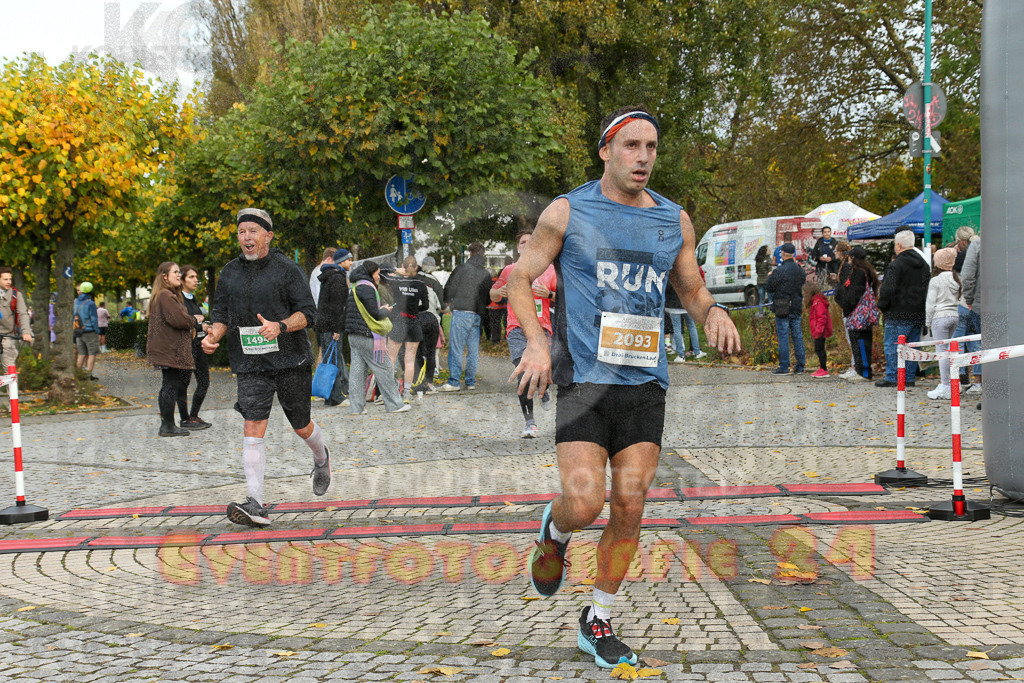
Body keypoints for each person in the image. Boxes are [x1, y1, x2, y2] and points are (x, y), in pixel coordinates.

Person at [508, 106, 740, 670]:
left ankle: (598, 616)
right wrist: (537, 344)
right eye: (632, 146)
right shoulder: (567, 211)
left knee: (631, 506)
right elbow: (518, 278)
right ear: (606, 151)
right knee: (586, 504)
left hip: (644, 382)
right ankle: (556, 530)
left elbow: (690, 287)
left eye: (651, 147)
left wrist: (711, 313)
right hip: (584, 381)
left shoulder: (673, 220)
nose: (643, 157)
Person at [201, 208, 333, 528]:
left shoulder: (287, 269)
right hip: (250, 362)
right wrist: (213, 336)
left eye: (253, 231)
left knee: (301, 426)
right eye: (241, 232)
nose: (246, 237)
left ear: (268, 236)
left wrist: (280, 326)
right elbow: (220, 314)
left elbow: (308, 314)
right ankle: (256, 503)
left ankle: (321, 458)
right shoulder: (229, 272)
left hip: (291, 360)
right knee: (252, 427)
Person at [491, 229, 556, 437]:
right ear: (518, 248)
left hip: (542, 328)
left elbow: (564, 297)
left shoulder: (549, 270)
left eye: (531, 241)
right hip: (516, 328)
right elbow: (493, 293)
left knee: (542, 371)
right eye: (522, 242)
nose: (526, 244)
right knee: (523, 374)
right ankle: (530, 423)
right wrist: (498, 292)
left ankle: (544, 390)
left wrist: (549, 294)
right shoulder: (509, 270)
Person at [344, 259, 410, 415]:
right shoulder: (366, 288)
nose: (379, 276)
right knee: (385, 368)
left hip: (354, 335)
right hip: (368, 336)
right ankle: (394, 404)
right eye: (378, 273)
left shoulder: (355, 286)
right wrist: (386, 310)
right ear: (371, 273)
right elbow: (375, 314)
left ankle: (356, 407)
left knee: (357, 373)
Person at [146, 262, 196, 437]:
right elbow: (179, 320)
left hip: (166, 348)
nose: (179, 275)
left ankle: (168, 424)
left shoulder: (163, 295)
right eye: (175, 272)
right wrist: (194, 320)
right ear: (164, 276)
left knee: (169, 385)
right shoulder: (166, 295)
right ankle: (167, 426)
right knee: (169, 385)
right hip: (168, 349)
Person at [876, 230, 930, 388]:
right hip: (918, 311)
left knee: (893, 345)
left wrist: (882, 305)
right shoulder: (924, 264)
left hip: (897, 311)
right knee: (912, 346)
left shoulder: (896, 264)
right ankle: (909, 377)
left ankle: (893, 376)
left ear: (898, 245)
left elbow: (887, 290)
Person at [440, 242, 492, 391]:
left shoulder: (462, 269)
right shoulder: (485, 273)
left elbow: (450, 287)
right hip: (477, 314)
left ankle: (454, 381)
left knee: (457, 348)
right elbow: (488, 297)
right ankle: (470, 381)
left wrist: (449, 302)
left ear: (470, 253)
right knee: (473, 350)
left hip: (462, 310)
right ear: (483, 254)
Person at [386, 256, 428, 402]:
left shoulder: (397, 282)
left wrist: (395, 271)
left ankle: (390, 392)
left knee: (391, 358)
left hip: (398, 321)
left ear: (403, 267)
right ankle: (406, 393)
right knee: (409, 359)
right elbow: (426, 306)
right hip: (414, 322)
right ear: (416, 267)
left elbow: (382, 273)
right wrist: (416, 310)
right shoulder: (421, 284)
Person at [314, 248, 353, 406]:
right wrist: (337, 329)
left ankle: (329, 396)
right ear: (341, 261)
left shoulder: (328, 276)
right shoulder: (337, 278)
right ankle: (336, 396)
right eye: (349, 260)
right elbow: (338, 307)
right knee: (334, 360)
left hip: (323, 323)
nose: (351, 262)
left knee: (329, 359)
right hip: (331, 325)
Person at [837, 246, 879, 381]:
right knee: (860, 341)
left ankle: (864, 372)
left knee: (860, 342)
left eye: (850, 257)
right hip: (863, 313)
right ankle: (860, 369)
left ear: (853, 258)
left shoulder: (859, 273)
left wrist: (846, 307)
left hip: (858, 314)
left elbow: (854, 294)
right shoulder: (867, 271)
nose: (848, 259)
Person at [925, 248, 961, 400]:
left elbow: (930, 304)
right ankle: (955, 382)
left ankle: (946, 385)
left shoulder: (936, 280)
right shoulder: (957, 278)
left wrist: (928, 322)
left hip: (939, 317)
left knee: (942, 352)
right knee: (951, 351)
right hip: (954, 316)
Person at [765, 243, 807, 374]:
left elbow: (770, 287)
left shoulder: (779, 271)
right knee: (797, 336)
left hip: (782, 306)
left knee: (783, 336)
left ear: (782, 254)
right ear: (793, 254)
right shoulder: (801, 270)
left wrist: (770, 276)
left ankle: (784, 366)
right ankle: (800, 365)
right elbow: (802, 283)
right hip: (796, 305)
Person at [179, 265, 212, 429]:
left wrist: (204, 325)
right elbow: (183, 323)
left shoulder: (192, 298)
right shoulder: (178, 300)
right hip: (186, 347)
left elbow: (197, 321)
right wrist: (199, 325)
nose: (196, 280)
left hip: (199, 346)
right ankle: (184, 418)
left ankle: (194, 415)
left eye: (196, 277)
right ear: (182, 280)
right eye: (191, 277)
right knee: (183, 383)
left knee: (204, 381)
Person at [412, 256, 445, 394]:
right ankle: (429, 382)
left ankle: (416, 381)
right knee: (431, 353)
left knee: (415, 352)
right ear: (434, 267)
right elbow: (442, 305)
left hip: (413, 319)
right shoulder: (435, 282)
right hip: (431, 319)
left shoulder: (411, 279)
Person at [958, 235, 983, 398]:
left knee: (979, 343)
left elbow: (967, 276)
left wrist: (968, 299)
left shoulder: (978, 244)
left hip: (982, 303)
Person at [831, 242, 857, 378]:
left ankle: (855, 366)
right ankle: (854, 365)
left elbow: (846, 286)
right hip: (845, 306)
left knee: (852, 338)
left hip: (848, 307)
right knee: (850, 338)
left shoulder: (846, 267)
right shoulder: (843, 267)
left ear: (840, 252)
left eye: (836, 250)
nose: (834, 253)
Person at [0, 267, 32, 370]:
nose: (9, 282)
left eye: (10, 279)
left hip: (7, 335)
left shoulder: (16, 295)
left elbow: (23, 314)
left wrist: (26, 332)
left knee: (10, 369)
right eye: (5, 279)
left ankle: (12, 386)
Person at [663, 283, 705, 362]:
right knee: (692, 327)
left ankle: (681, 355)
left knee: (677, 329)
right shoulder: (686, 273)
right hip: (687, 304)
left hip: (673, 305)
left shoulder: (671, 276)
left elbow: (666, 289)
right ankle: (697, 352)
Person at [804, 279, 832, 378]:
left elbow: (821, 318)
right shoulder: (816, 301)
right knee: (819, 349)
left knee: (820, 349)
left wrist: (818, 331)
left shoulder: (818, 302)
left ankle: (824, 369)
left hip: (819, 331)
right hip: (818, 330)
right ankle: (822, 368)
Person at [74, 282, 100, 380]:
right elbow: (93, 318)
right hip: (89, 331)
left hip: (78, 331)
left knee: (81, 354)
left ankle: (77, 374)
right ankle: (88, 374)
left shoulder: (75, 302)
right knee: (92, 353)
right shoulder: (90, 303)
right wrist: (97, 331)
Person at [754, 245, 772, 314]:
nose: (770, 251)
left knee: (761, 299)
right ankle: (770, 313)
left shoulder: (758, 260)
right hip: (767, 282)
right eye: (768, 249)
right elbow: (770, 271)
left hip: (760, 282)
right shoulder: (768, 259)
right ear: (765, 251)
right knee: (770, 299)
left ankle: (761, 313)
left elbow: (757, 271)